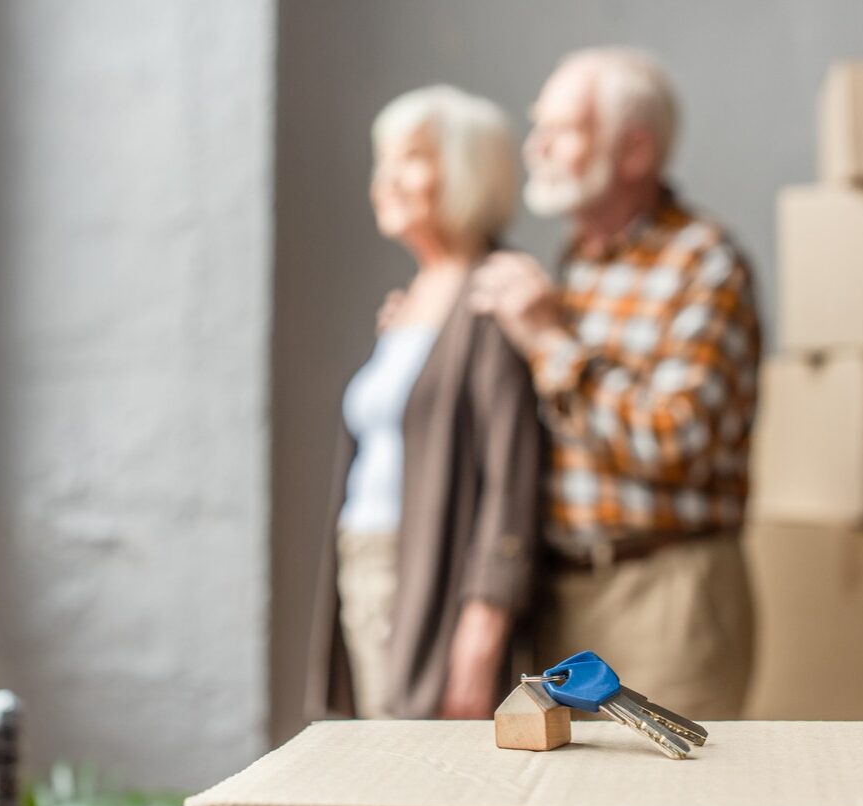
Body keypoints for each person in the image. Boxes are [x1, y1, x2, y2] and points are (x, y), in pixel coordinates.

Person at [472, 48, 762, 719]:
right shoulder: (575, 262)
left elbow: (677, 439)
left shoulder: (705, 263)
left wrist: (549, 341)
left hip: (666, 592)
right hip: (561, 593)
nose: (535, 146)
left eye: (564, 129)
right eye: (537, 125)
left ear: (634, 152)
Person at [305, 85, 542, 721]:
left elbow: (509, 478)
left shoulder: (495, 293)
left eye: (411, 158)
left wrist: (481, 626)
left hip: (425, 576)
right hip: (370, 561)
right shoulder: (414, 297)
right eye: (382, 159)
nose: (387, 179)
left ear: (467, 171)